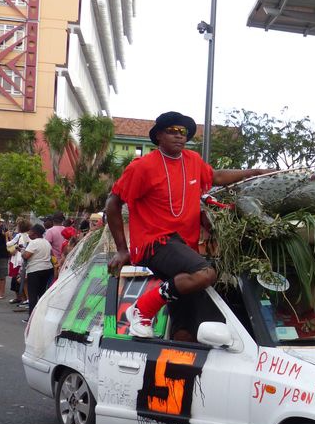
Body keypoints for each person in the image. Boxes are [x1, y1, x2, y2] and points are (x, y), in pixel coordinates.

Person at [106, 111, 273, 337]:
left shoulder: (193, 161)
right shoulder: (142, 167)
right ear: (159, 136)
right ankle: (142, 309)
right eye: (172, 131)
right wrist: (122, 249)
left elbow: (217, 176)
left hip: (184, 247)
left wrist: (255, 172)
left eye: (183, 132)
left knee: (187, 323)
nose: (179, 136)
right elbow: (112, 203)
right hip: (155, 242)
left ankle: (179, 356)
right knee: (205, 273)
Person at [20, 223, 54, 317]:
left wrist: (23, 252)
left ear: (35, 233)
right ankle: (41, 314)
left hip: (35, 270)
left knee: (32, 294)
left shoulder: (34, 242)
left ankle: (32, 316)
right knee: (42, 292)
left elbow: (26, 256)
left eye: (30, 232)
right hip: (47, 269)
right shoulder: (46, 242)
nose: (29, 234)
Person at [6, 220, 30, 305]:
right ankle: (25, 299)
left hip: (17, 260)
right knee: (22, 281)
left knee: (16, 280)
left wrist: (7, 237)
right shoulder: (29, 236)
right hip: (24, 260)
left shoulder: (19, 236)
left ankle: (20, 298)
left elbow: (9, 244)